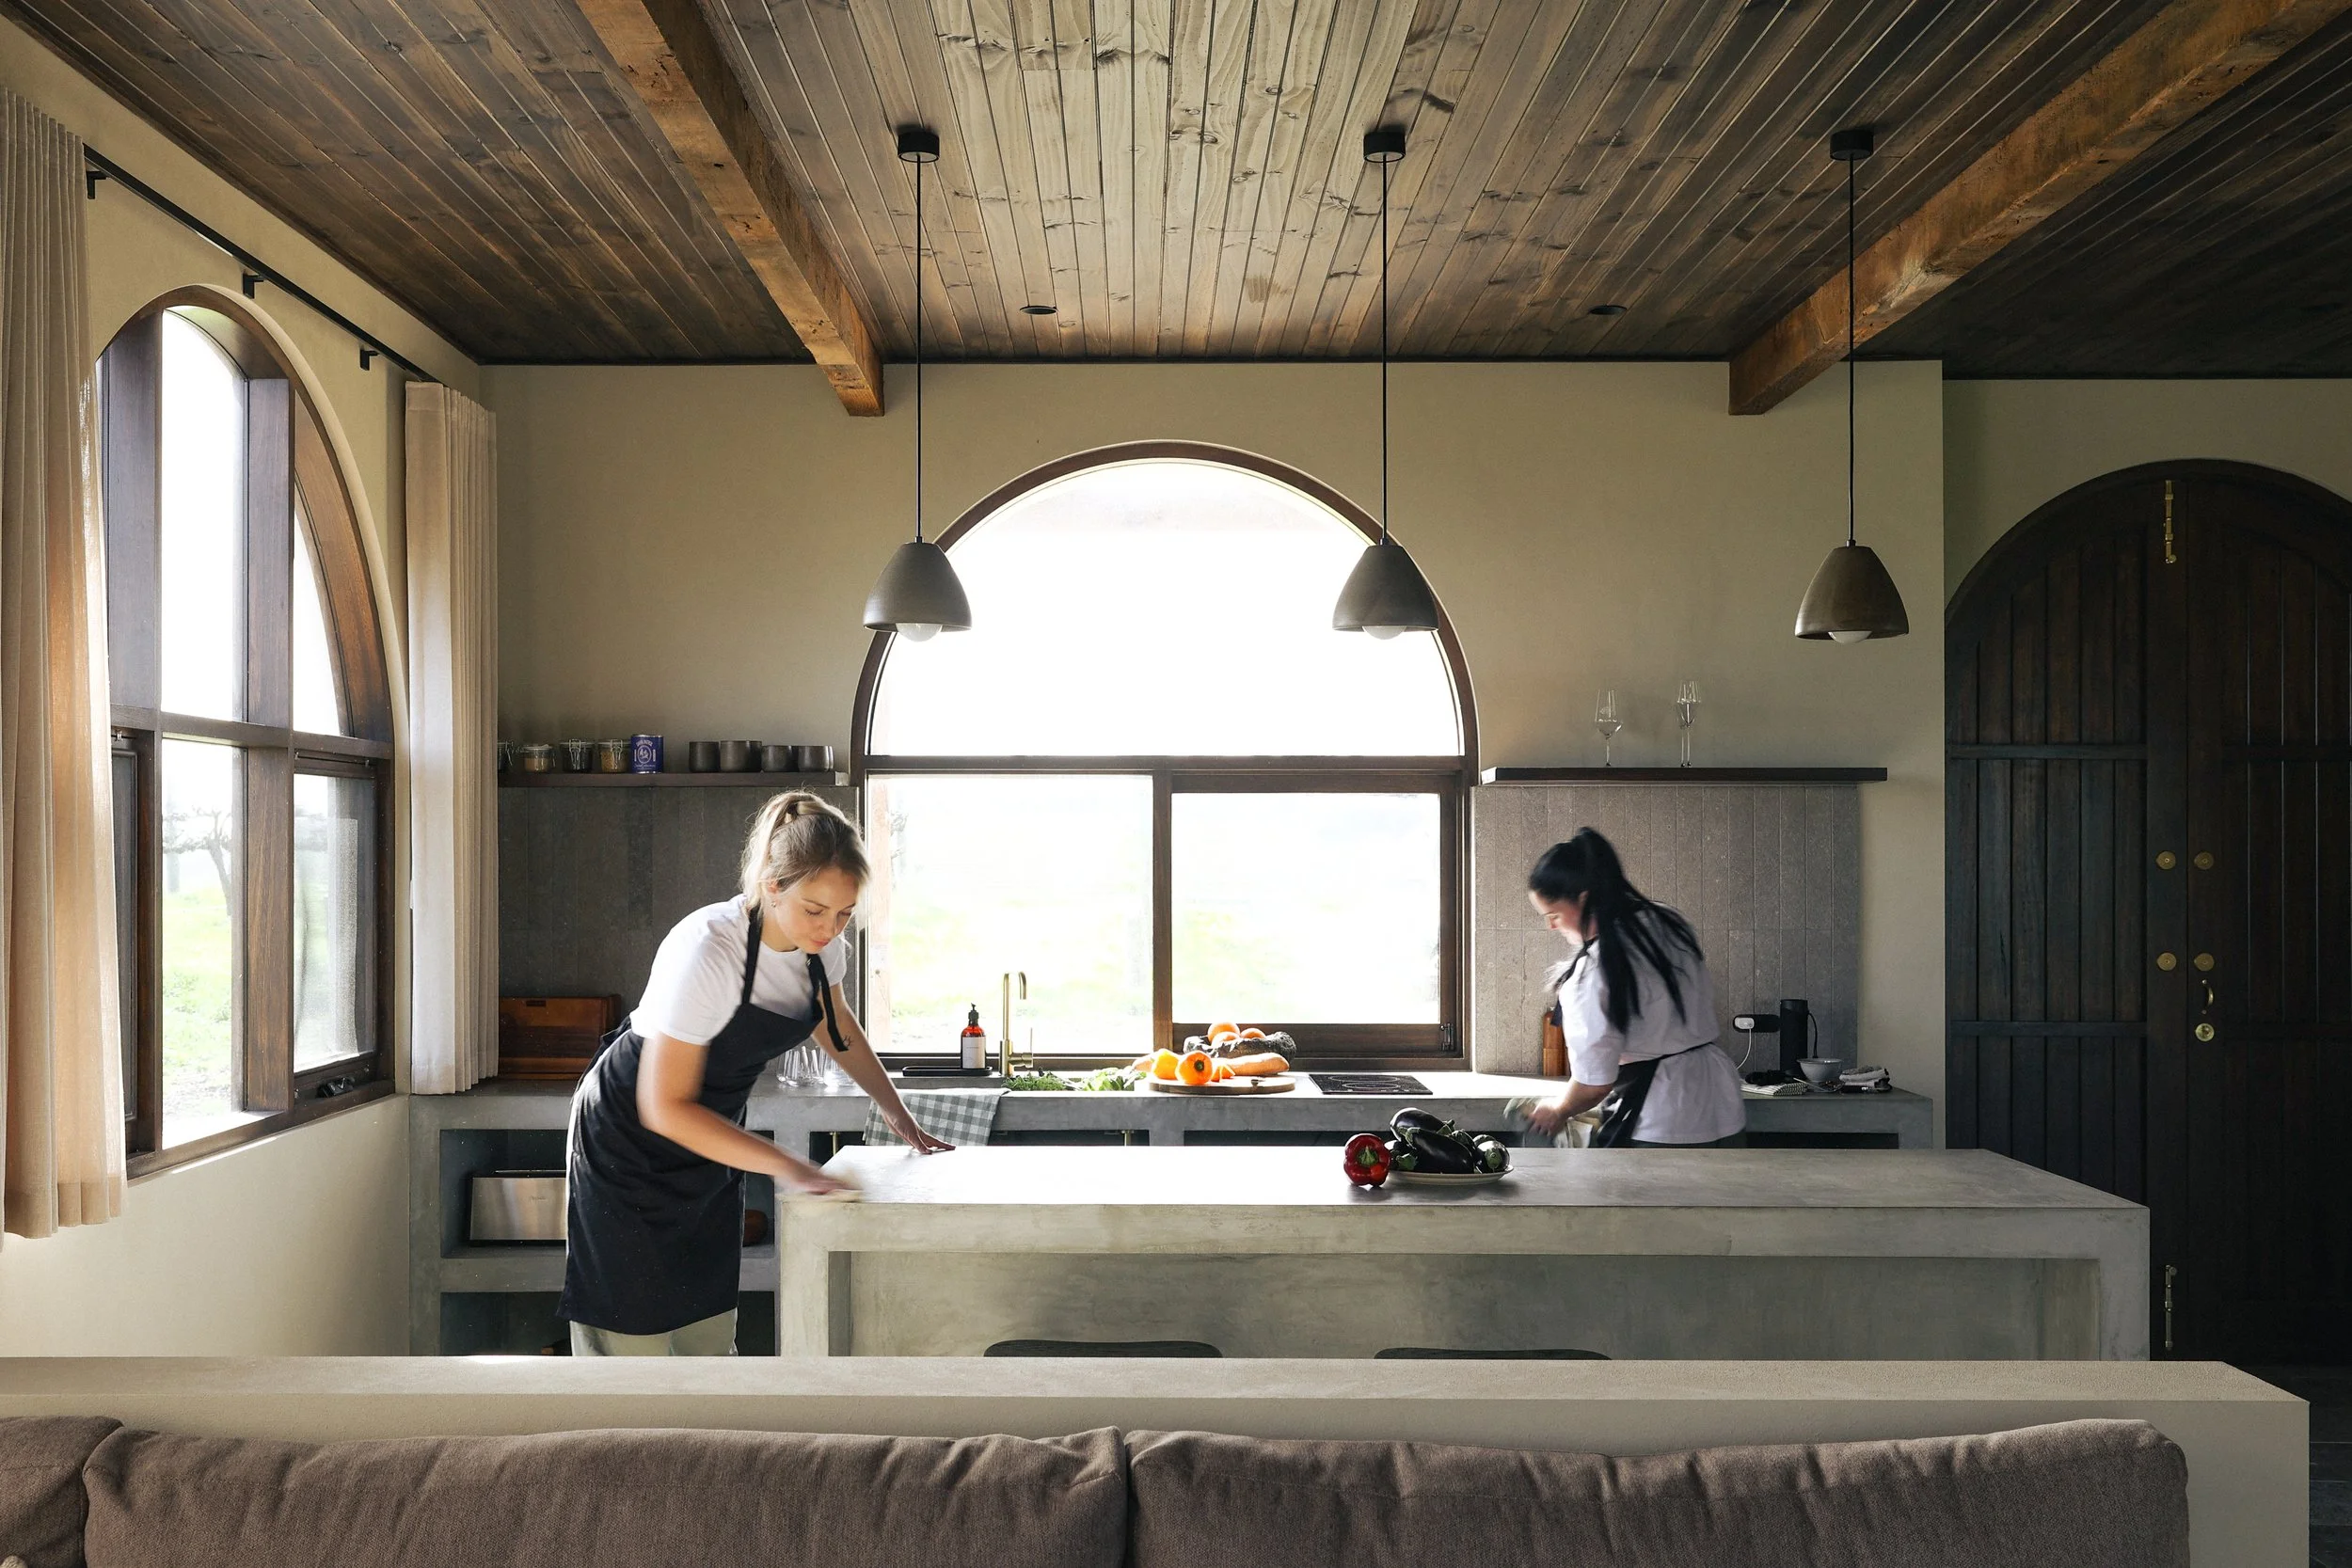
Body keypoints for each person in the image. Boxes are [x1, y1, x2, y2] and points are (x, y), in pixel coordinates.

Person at [560, 792, 949, 1354]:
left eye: (844, 914)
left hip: (711, 1137)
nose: (830, 928)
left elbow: (836, 1023)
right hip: (630, 1140)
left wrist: (895, 1110)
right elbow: (664, 1106)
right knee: (629, 1340)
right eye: (815, 910)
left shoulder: (822, 949)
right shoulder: (709, 949)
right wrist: (789, 1166)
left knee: (705, 1323)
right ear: (772, 886)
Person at [1521, 828, 1745, 1148]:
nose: (1551, 925)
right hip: (1721, 1102)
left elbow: (1594, 1084)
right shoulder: (1669, 921)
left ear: (1584, 900)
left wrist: (1557, 1109)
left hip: (1661, 1118)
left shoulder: (1594, 972)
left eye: (1554, 914)